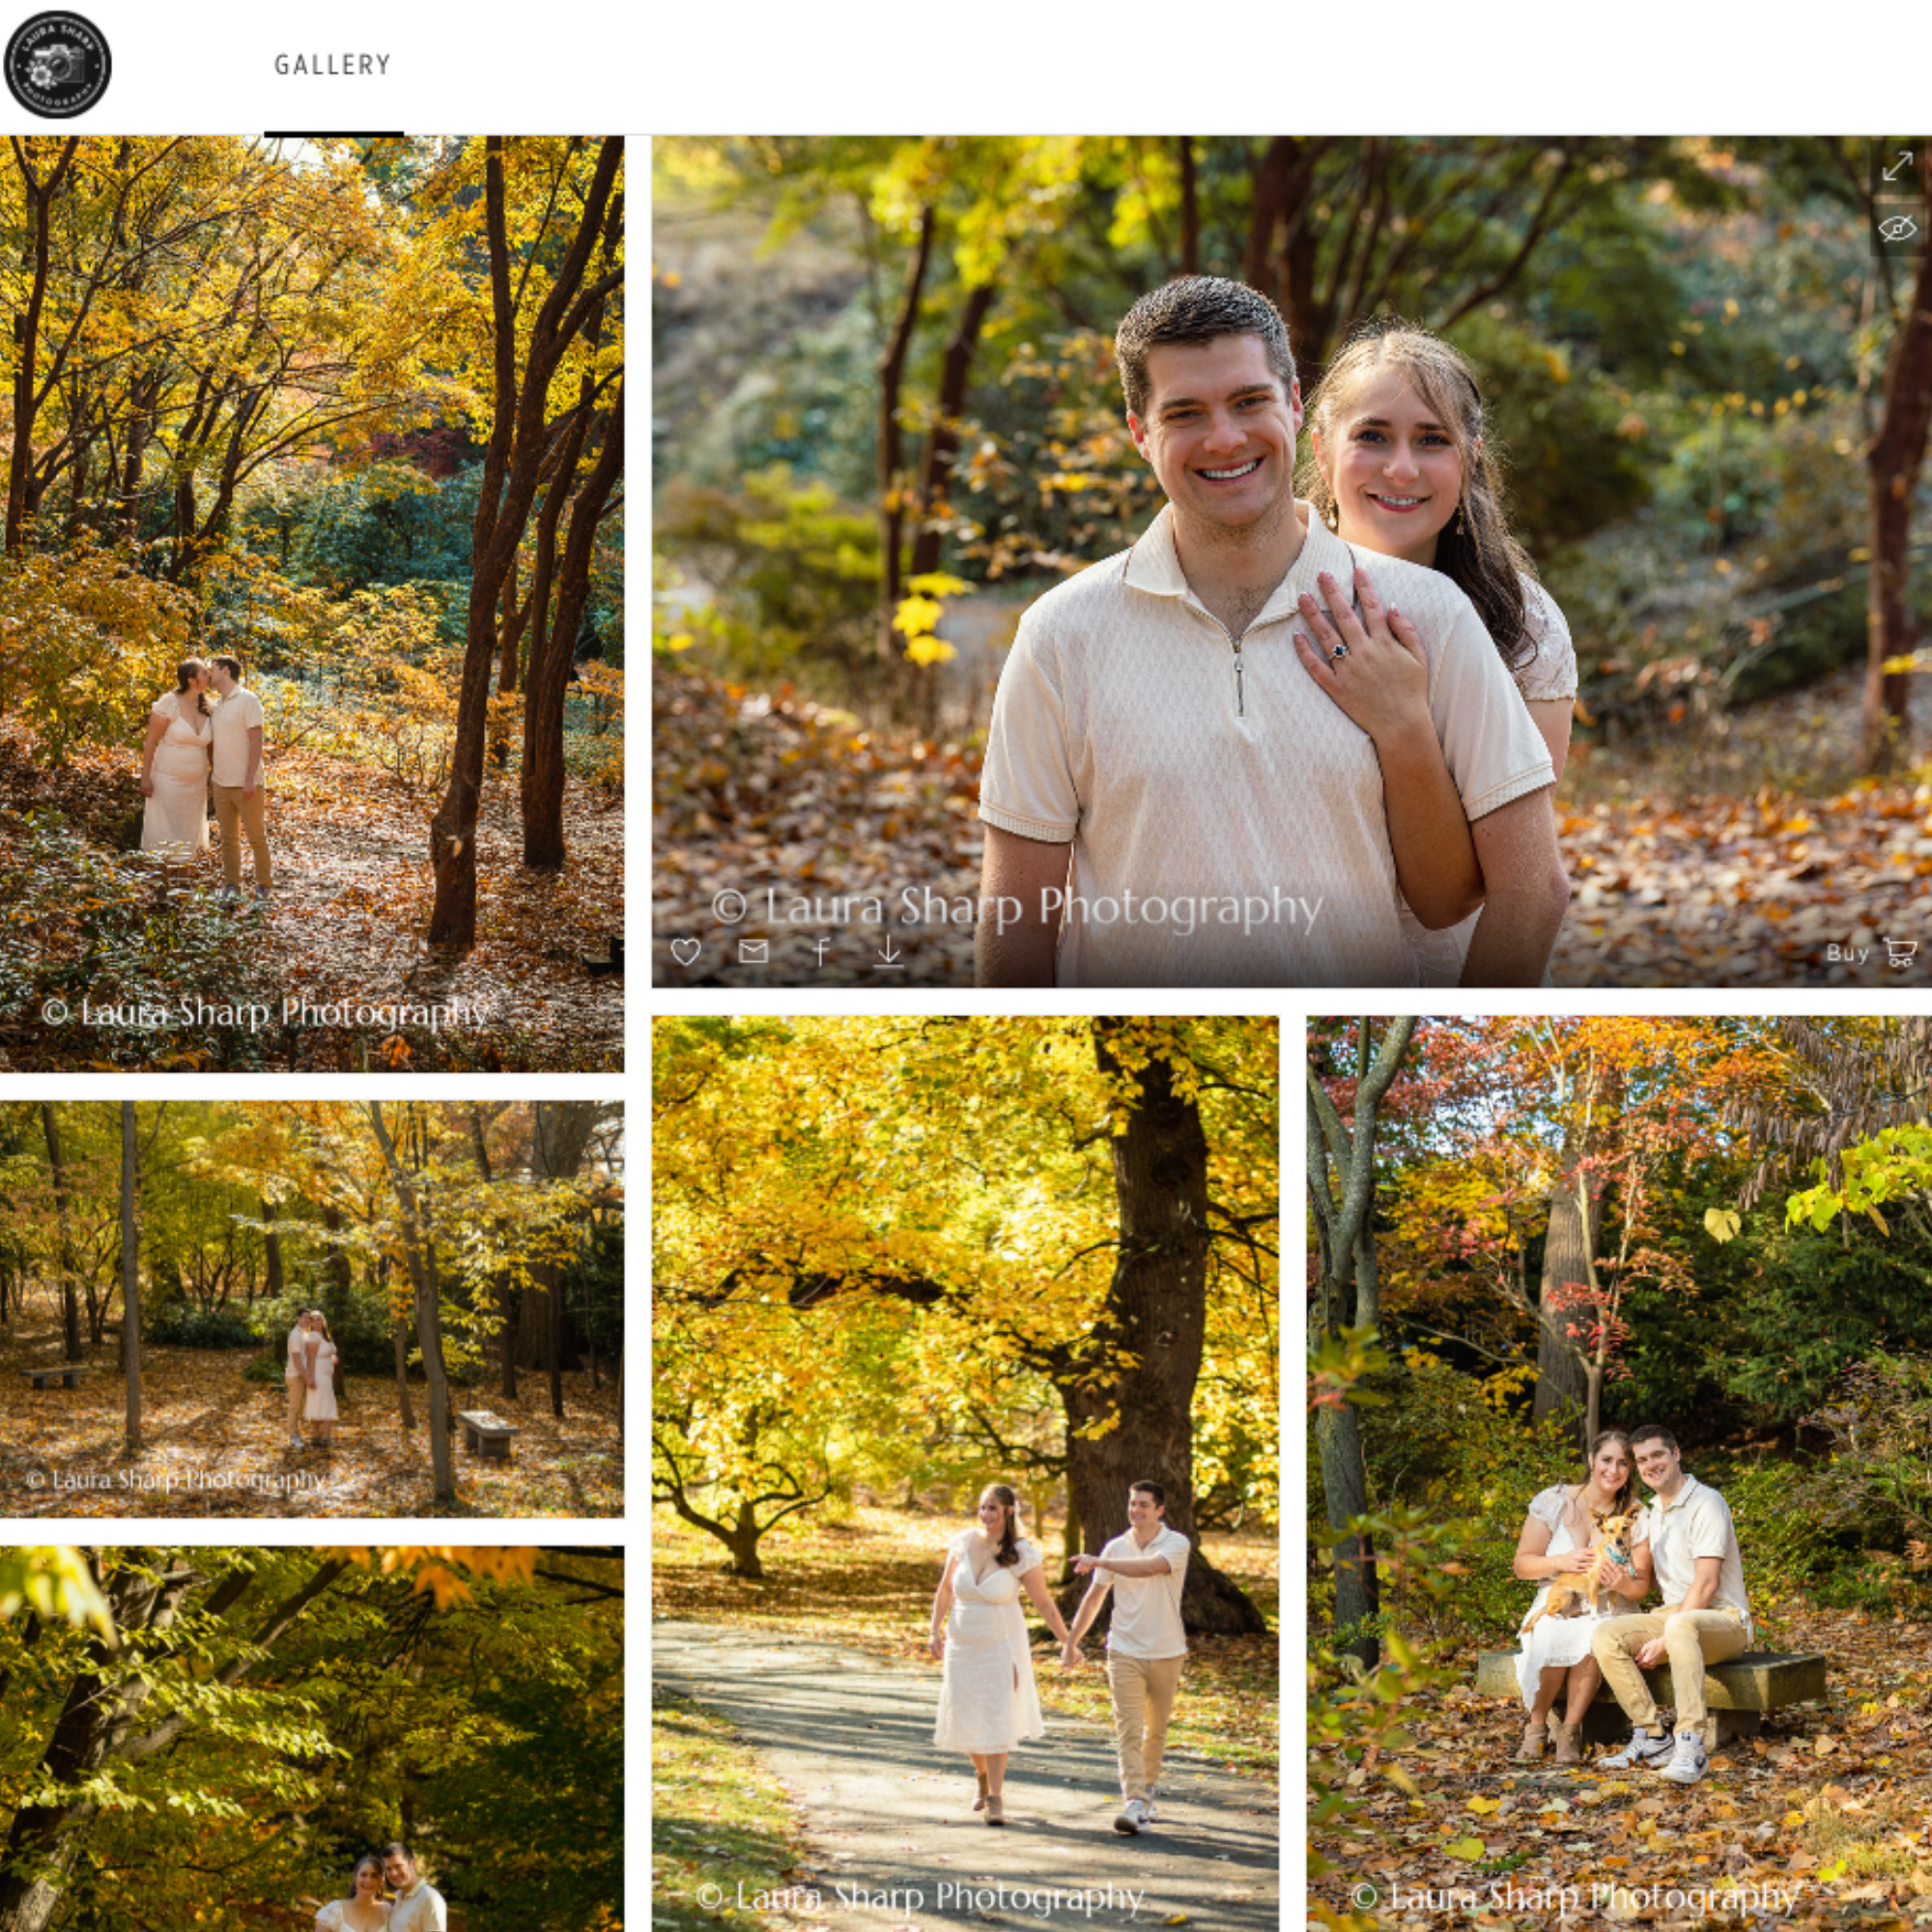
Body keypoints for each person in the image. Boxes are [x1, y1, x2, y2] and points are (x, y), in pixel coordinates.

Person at [975, 274, 1567, 989]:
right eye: (1185, 413)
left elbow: (1528, 892)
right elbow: (1017, 919)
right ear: (1140, 432)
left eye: (1249, 401)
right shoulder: (1060, 635)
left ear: (1291, 406)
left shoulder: (1431, 615)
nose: (1224, 438)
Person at [1300, 319, 1577, 984]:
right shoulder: (1272, 593)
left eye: (1432, 440)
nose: (1402, 467)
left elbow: (1518, 880)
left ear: (1471, 457)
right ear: (1322, 448)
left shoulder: (1524, 621)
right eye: (1371, 436)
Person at [1590, 1426, 1754, 1784]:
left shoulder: (1706, 1503)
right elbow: (1639, 1575)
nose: (1651, 1465)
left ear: (1676, 1454)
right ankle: (1652, 1737)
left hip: (1722, 1619)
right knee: (1605, 1634)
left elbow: (1707, 1583)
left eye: (1657, 1455)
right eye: (1642, 1460)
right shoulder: (1649, 1513)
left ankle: (1691, 1745)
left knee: (1679, 1626)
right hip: (1674, 1615)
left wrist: (1664, 1640)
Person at [929, 1484, 1077, 1826]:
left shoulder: (1022, 1552)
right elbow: (946, 1588)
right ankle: (981, 1778)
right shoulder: (963, 1542)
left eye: (993, 1508)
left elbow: (1043, 1603)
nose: (986, 1515)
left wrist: (1068, 1642)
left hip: (1001, 1647)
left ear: (1009, 1511)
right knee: (965, 1716)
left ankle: (995, 1798)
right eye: (983, 1507)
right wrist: (934, 1630)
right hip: (962, 1645)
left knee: (997, 1715)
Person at [1509, 1430, 1653, 1764]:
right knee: (1551, 1633)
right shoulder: (1555, 1500)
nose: (1613, 1470)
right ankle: (1536, 1729)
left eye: (1622, 1463)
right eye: (1606, 1460)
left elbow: (1641, 1585)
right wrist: (1560, 1562)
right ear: (1591, 1461)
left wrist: (1618, 1582)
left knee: (1593, 1639)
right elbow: (1521, 1564)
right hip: (1560, 1596)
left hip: (1612, 1605)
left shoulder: (1635, 1514)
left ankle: (1570, 1733)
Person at [1062, 1480, 1192, 1835]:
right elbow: (1094, 1597)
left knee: (1156, 1730)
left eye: (1144, 1505)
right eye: (1132, 1504)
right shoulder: (1116, 1547)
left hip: (1167, 1651)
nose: (1136, 1510)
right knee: (1128, 1728)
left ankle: (1147, 1791)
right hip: (1123, 1649)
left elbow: (1149, 1567)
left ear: (1160, 1510)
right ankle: (1134, 1802)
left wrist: (1101, 1561)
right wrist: (1072, 1641)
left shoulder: (1176, 1544)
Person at [207, 652, 271, 899]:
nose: (208, 673)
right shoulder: (217, 705)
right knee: (229, 839)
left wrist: (249, 778)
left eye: (212, 668)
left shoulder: (248, 700)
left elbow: (256, 741)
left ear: (225, 671)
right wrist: (213, 777)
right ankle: (232, 886)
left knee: (256, 837)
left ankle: (264, 886)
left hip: (247, 783)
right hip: (221, 783)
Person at [139, 659, 214, 857]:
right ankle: (163, 881)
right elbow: (151, 741)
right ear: (191, 680)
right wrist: (145, 776)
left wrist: (213, 773)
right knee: (165, 831)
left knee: (188, 831)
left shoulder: (208, 706)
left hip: (196, 784)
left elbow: (211, 746)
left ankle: (183, 881)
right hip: (168, 779)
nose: (209, 677)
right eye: (204, 673)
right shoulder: (169, 703)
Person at [314, 1855, 391, 1931]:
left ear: (381, 1881)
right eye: (363, 1875)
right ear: (355, 1877)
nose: (368, 1880)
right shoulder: (334, 1912)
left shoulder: (387, 1912)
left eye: (374, 1876)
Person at [381, 1843, 446, 1932]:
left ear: (412, 1863)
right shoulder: (399, 1897)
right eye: (388, 1869)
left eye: (398, 1866)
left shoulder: (430, 1898)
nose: (393, 1873)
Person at [305, 1312, 339, 1451]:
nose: (316, 1322)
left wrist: (332, 1359)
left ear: (323, 1321)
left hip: (327, 1374)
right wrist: (311, 1378)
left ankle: (317, 1437)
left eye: (318, 1320)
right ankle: (324, 1438)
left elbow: (326, 1353)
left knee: (320, 1403)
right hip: (319, 1375)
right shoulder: (313, 1336)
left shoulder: (326, 1336)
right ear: (310, 1324)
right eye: (313, 1320)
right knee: (325, 1403)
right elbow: (312, 1358)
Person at [285, 1311, 318, 1452]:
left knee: (300, 1407)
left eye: (309, 1318)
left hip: (301, 1376)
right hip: (295, 1376)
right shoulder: (295, 1334)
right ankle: (293, 1437)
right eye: (304, 1317)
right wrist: (307, 1378)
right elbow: (297, 1360)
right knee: (294, 1407)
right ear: (298, 1318)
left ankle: (298, 1434)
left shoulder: (304, 1333)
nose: (307, 1320)